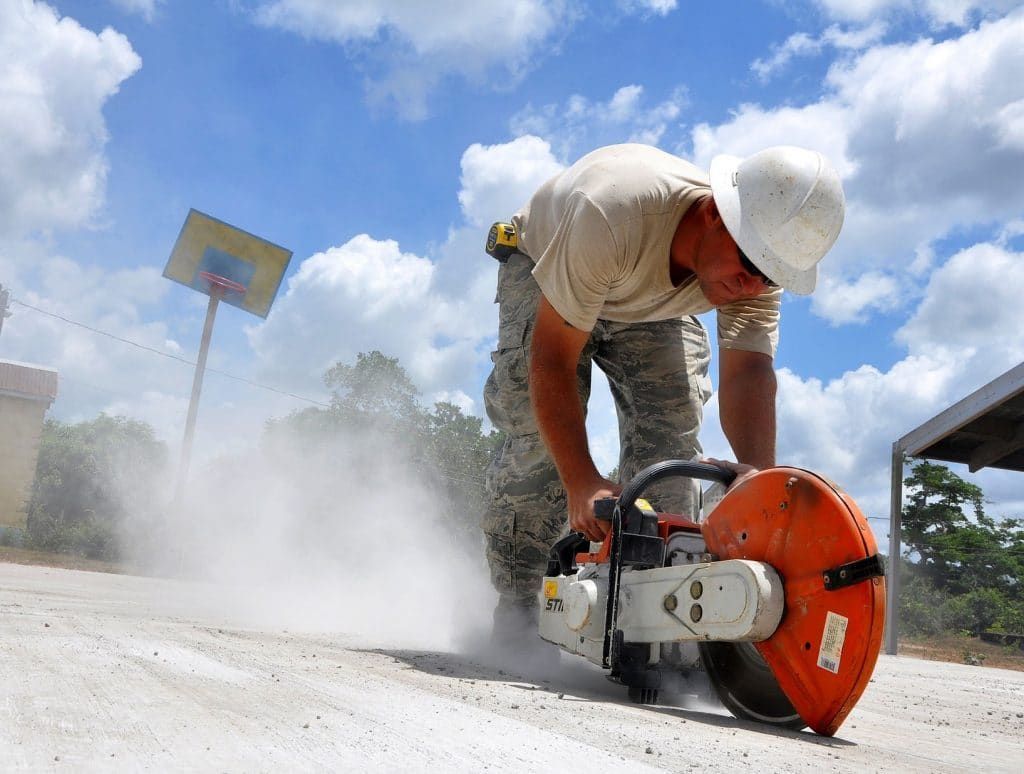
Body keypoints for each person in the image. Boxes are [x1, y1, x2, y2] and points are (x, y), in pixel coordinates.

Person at [481, 143, 845, 645]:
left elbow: (748, 373)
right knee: (542, 445)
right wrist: (583, 480)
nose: (751, 286)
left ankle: (645, 623)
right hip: (551, 264)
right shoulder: (612, 212)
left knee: (671, 449)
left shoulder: (756, 267)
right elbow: (552, 360)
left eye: (769, 276)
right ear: (717, 214)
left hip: (646, 300)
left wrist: (757, 480)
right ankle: (519, 612)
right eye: (748, 266)